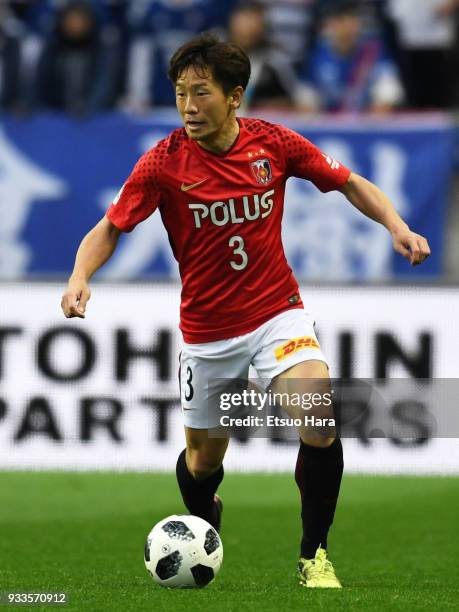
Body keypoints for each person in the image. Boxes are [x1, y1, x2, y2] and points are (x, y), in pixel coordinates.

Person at [61, 33, 430, 588]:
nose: (188, 106)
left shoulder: (273, 144)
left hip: (276, 313)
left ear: (235, 96)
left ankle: (314, 556)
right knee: (202, 462)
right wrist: (79, 276)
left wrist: (397, 226)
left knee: (320, 420)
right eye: (181, 93)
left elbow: (348, 181)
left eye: (201, 93)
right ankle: (205, 521)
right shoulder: (163, 163)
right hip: (207, 334)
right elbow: (111, 226)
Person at [298, 1, 404, 113]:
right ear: (328, 25)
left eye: (352, 21)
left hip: (366, 122)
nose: (347, 27)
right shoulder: (318, 55)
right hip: (329, 122)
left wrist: (379, 109)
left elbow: (388, 87)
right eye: (340, 21)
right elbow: (307, 93)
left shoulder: (373, 52)